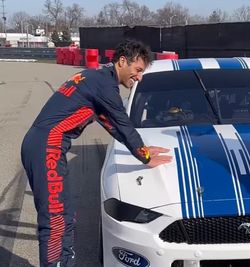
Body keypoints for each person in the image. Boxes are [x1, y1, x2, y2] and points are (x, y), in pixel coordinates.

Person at [21, 40, 172, 266]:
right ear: (122, 61)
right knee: (55, 219)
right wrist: (145, 156)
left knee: (65, 213)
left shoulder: (96, 78)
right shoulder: (104, 85)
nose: (139, 77)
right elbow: (123, 123)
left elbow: (111, 124)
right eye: (138, 70)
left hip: (42, 144)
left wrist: (141, 150)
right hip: (47, 146)